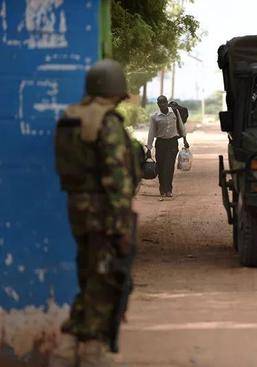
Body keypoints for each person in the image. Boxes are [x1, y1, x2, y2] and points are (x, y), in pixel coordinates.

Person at [51, 59, 141, 367]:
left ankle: (67, 348)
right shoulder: (107, 122)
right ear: (114, 89)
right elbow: (117, 178)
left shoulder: (70, 118)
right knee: (106, 279)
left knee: (91, 276)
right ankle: (92, 350)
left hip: (78, 209)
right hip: (103, 212)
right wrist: (121, 226)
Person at [146, 95, 189, 200]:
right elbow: (151, 133)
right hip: (160, 143)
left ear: (167, 103)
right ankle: (162, 188)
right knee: (161, 167)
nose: (162, 104)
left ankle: (168, 189)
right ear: (157, 104)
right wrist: (149, 148)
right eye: (159, 103)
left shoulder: (174, 112)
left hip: (172, 143)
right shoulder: (154, 116)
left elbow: (181, 126)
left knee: (169, 167)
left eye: (164, 102)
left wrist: (185, 139)